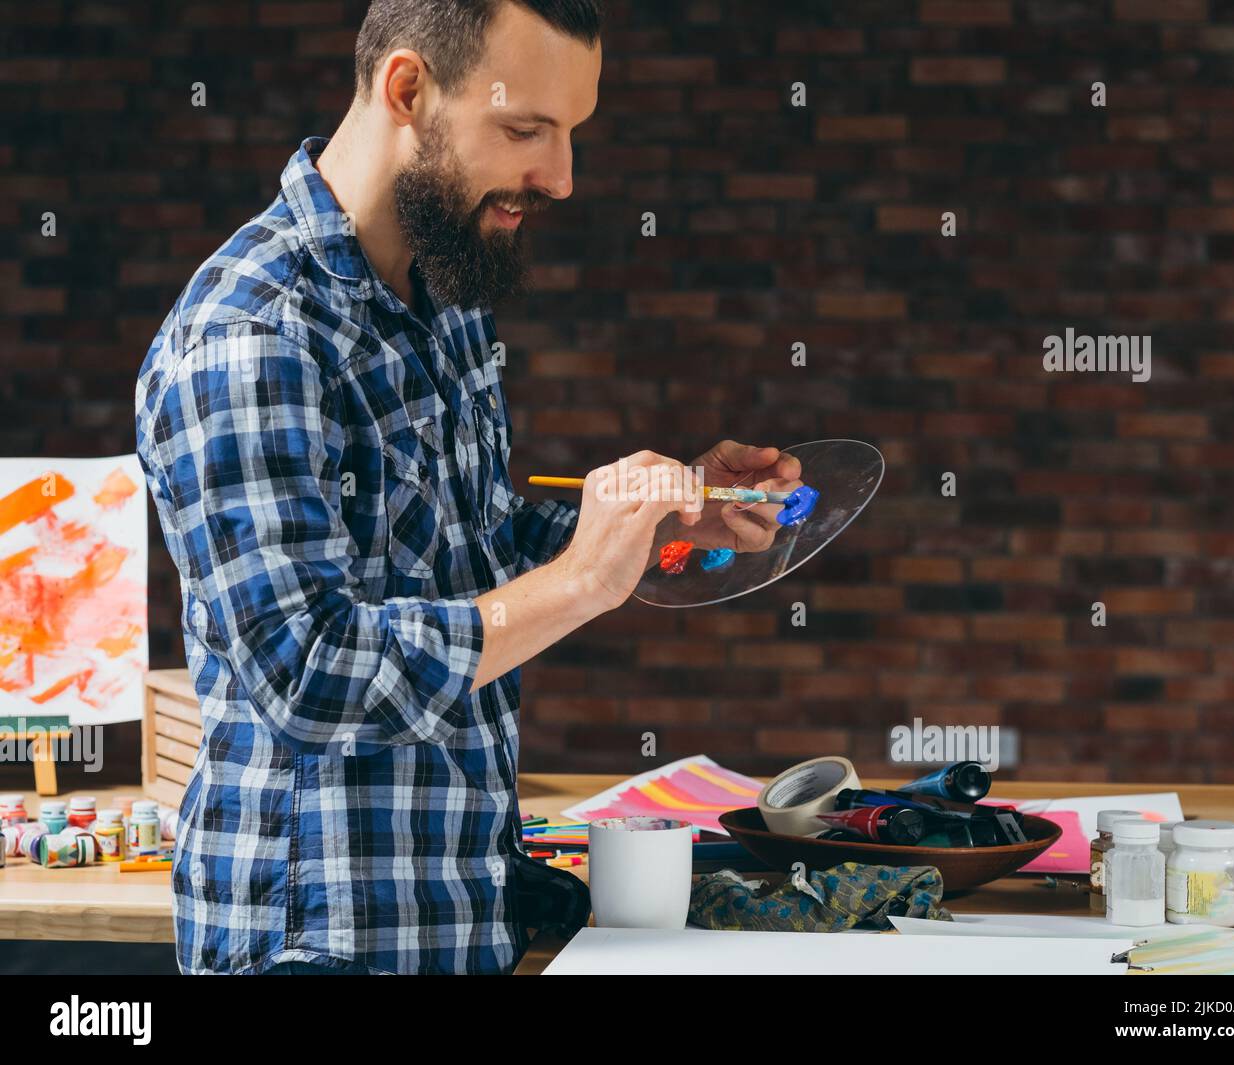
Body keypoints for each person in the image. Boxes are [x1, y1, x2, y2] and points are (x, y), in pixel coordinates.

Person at [135, 0, 799, 974]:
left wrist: (663, 518)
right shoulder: (251, 338)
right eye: (527, 130)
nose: (561, 177)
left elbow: (472, 553)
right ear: (409, 90)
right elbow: (306, 674)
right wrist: (581, 582)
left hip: (457, 922)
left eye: (571, 134)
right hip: (314, 950)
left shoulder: (440, 297)